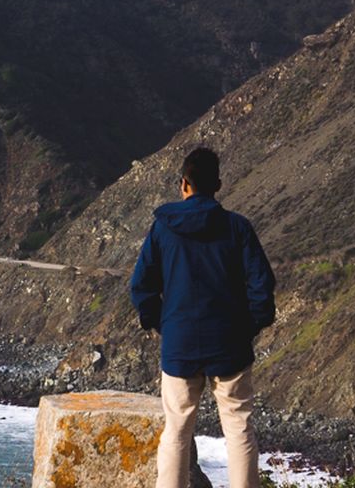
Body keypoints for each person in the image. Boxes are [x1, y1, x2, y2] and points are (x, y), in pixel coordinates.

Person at [129, 147, 276, 488]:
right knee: (238, 427)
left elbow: (142, 284)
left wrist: (158, 322)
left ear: (184, 184)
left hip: (179, 341)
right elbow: (261, 284)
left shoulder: (163, 229)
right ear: (218, 185)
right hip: (230, 343)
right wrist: (251, 325)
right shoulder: (238, 228)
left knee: (177, 429)